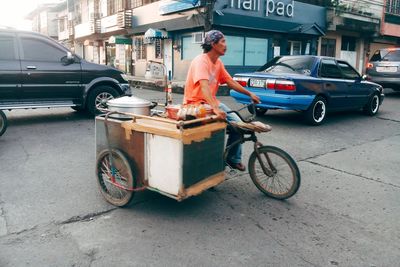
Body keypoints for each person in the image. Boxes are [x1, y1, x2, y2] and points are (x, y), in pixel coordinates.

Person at [183, 30, 260, 172]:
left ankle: (232, 158)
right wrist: (216, 108)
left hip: (211, 103)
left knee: (240, 125)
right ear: (213, 44)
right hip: (195, 104)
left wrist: (250, 94)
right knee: (213, 135)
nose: (226, 45)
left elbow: (230, 82)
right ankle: (211, 167)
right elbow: (204, 86)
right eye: (223, 41)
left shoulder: (218, 63)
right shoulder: (201, 61)